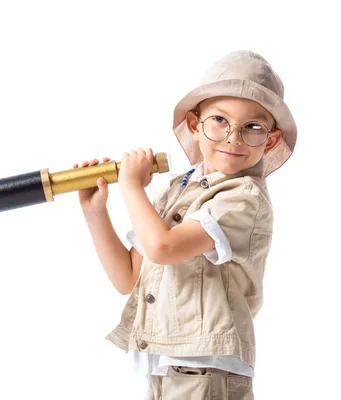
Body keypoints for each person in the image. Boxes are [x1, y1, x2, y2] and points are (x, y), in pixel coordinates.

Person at [74, 50, 297, 399]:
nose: (233, 138)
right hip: (167, 367)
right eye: (219, 120)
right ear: (195, 125)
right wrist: (95, 212)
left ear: (269, 140)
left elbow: (163, 248)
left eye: (252, 127)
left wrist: (131, 186)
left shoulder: (244, 197)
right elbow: (127, 276)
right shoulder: (181, 187)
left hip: (208, 374)